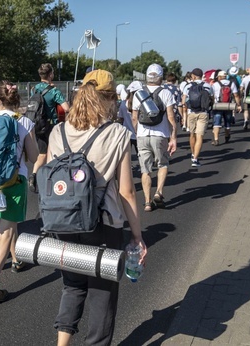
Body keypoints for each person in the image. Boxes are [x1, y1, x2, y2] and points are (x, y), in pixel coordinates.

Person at [47, 69, 147, 346]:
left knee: (73, 285)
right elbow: (126, 191)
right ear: (111, 98)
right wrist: (137, 237)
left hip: (64, 222)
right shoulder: (117, 133)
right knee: (102, 294)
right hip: (103, 224)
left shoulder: (59, 131)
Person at [0, 80, 39, 302]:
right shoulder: (24, 122)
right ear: (17, 99)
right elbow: (33, 157)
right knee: (6, 231)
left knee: (7, 221)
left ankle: (16, 259)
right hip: (14, 181)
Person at [132, 64, 177, 211]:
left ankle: (146, 202)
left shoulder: (138, 93)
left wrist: (137, 132)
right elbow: (171, 117)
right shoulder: (166, 93)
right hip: (160, 135)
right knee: (162, 164)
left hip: (142, 135)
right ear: (160, 77)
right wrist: (173, 137)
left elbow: (134, 118)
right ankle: (158, 192)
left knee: (145, 170)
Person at [28, 63, 70, 193]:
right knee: (55, 153)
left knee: (42, 153)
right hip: (52, 126)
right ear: (50, 74)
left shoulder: (34, 89)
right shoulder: (54, 91)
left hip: (38, 125)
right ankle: (51, 180)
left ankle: (33, 175)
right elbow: (66, 108)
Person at [182, 68, 214, 167]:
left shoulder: (188, 86)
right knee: (199, 136)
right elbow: (212, 99)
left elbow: (183, 101)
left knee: (192, 134)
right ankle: (195, 159)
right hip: (203, 113)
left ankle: (192, 153)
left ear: (193, 76)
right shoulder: (208, 86)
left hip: (191, 112)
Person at [210, 70, 242, 145]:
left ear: (219, 77)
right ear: (225, 76)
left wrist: (213, 102)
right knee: (227, 122)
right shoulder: (231, 84)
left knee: (216, 123)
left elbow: (212, 95)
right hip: (228, 106)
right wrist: (239, 105)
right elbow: (236, 95)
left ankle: (216, 139)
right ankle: (227, 136)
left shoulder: (215, 84)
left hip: (218, 106)